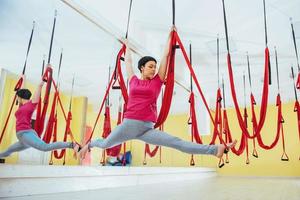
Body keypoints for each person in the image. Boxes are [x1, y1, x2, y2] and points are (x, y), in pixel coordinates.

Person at [79, 27, 237, 160]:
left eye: (155, 66)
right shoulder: (133, 80)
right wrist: (126, 45)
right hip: (128, 125)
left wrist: (171, 35)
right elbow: (128, 62)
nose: (154, 69)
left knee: (177, 143)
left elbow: (165, 56)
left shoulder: (157, 81)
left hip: (147, 128)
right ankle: (89, 144)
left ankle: (215, 150)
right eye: (150, 66)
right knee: (106, 144)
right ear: (142, 68)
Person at [0, 65, 80, 159]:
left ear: (20, 97)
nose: (16, 98)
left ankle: (72, 145)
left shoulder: (31, 104)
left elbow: (39, 86)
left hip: (27, 134)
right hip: (22, 138)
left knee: (44, 147)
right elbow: (22, 91)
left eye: (17, 96)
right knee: (9, 150)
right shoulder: (22, 106)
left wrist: (45, 74)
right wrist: (23, 78)